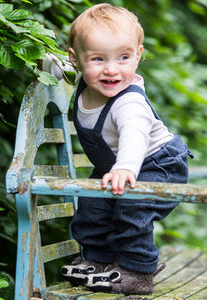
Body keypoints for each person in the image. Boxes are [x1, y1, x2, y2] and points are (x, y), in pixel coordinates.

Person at [42, 3, 193, 295]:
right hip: (118, 164)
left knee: (132, 207)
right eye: (98, 59)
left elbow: (134, 137)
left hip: (157, 164)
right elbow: (58, 66)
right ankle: (98, 260)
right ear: (77, 60)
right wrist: (46, 64)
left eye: (123, 57)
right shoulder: (84, 79)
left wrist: (125, 167)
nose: (111, 69)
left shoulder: (129, 103)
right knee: (92, 204)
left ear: (138, 56)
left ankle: (138, 270)